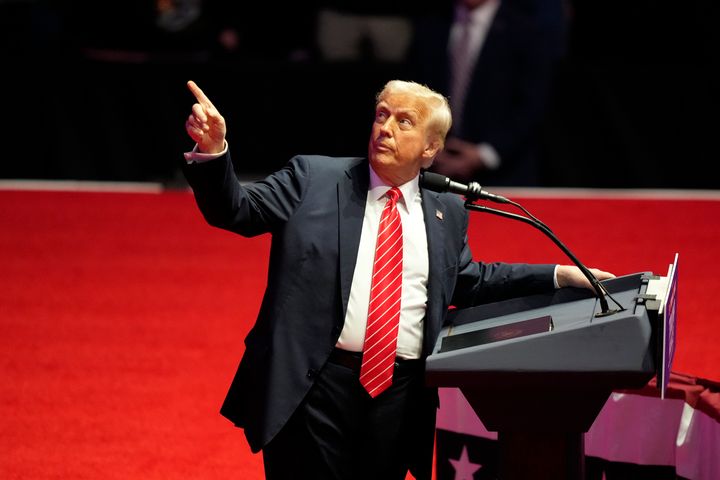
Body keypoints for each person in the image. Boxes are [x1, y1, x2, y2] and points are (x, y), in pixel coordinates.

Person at [182, 78, 613, 479]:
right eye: (381, 115)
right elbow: (236, 210)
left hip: (398, 397)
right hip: (313, 390)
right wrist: (215, 151)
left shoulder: (447, 209)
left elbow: (468, 281)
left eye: (403, 121)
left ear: (431, 148)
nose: (385, 128)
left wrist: (559, 275)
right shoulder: (313, 179)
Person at [407, 0, 567, 186]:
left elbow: (534, 104)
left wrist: (485, 154)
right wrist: (428, 146)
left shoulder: (528, 28)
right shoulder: (431, 26)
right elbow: (414, 94)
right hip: (434, 173)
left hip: (505, 177)